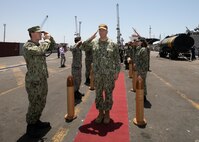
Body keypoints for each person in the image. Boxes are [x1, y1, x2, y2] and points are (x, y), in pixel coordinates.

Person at [81, 24, 121, 124]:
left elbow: (117, 59)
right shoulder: (94, 43)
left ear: (107, 31)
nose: (101, 32)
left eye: (103, 30)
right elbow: (83, 47)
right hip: (97, 74)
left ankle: (107, 113)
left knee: (108, 94)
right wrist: (91, 38)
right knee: (98, 94)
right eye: (100, 30)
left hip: (109, 74)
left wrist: (117, 72)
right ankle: (100, 113)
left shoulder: (113, 44)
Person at [23, 25, 55, 137]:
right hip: (33, 81)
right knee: (34, 103)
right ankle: (30, 127)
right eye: (39, 32)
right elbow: (41, 49)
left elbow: (52, 46)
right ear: (32, 33)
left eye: (41, 33)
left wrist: (50, 38)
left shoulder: (39, 44)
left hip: (42, 79)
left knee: (41, 101)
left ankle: (36, 120)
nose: (41, 34)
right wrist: (46, 40)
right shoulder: (28, 46)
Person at [135, 38, 149, 102]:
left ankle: (144, 96)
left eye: (138, 41)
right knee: (141, 82)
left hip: (142, 69)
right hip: (139, 69)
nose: (137, 42)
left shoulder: (143, 49)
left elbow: (143, 61)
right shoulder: (140, 49)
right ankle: (141, 95)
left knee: (142, 82)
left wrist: (141, 70)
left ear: (141, 42)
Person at [70, 36, 84, 101]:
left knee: (79, 80)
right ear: (77, 41)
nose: (81, 42)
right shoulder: (75, 48)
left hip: (79, 67)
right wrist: (77, 43)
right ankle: (74, 94)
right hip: (75, 68)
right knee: (75, 81)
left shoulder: (79, 48)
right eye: (79, 41)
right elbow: (71, 48)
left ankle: (77, 91)